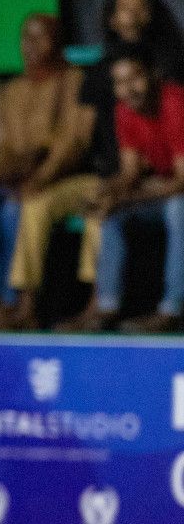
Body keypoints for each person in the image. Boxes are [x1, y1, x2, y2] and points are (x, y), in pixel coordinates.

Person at [60, 47, 184, 333]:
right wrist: (106, 193)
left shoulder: (175, 102)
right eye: (119, 82)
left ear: (154, 75)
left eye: (135, 78)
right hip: (163, 189)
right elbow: (130, 173)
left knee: (179, 210)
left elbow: (181, 180)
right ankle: (105, 308)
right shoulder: (124, 110)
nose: (128, 89)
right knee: (112, 215)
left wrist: (127, 197)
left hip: (177, 192)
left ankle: (171, 311)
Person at [0, 15, 88, 331]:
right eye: (27, 37)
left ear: (57, 40)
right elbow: (3, 144)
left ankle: (15, 304)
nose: (32, 45)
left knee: (17, 209)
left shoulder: (74, 81)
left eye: (42, 37)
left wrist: (41, 177)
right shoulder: (13, 89)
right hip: (15, 178)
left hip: (60, 179)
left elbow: (73, 141)